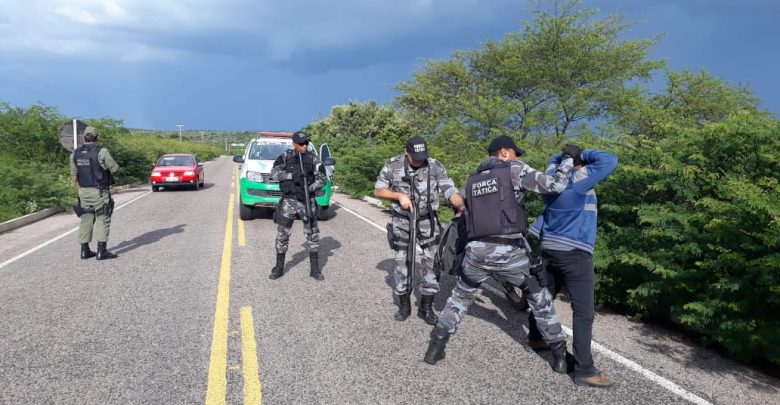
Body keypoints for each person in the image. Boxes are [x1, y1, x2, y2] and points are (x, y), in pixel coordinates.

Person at [423, 135, 575, 374]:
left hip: (475, 252)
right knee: (539, 298)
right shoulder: (513, 169)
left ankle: (436, 346)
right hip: (509, 252)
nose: (517, 157)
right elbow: (554, 185)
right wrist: (568, 160)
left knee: (460, 298)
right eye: (515, 152)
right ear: (504, 152)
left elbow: (461, 206)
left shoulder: (472, 179)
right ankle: (559, 356)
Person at [526, 145, 619, 388]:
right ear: (579, 164)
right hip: (575, 251)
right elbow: (610, 160)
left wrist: (564, 156)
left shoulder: (550, 180)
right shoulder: (578, 180)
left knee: (545, 295)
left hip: (550, 248)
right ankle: (584, 370)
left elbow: (551, 159)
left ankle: (536, 337)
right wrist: (584, 153)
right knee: (583, 312)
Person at [374, 136, 465, 325]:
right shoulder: (393, 165)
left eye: (421, 156)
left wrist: (460, 204)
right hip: (402, 220)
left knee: (433, 260)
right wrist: (398, 195)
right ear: (406, 151)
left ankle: (426, 305)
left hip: (428, 221)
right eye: (414, 156)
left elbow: (449, 190)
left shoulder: (434, 166)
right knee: (402, 262)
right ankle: (404, 303)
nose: (418, 160)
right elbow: (379, 191)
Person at [269, 131, 328, 281]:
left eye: (306, 143)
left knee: (312, 234)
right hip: (289, 200)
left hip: (307, 201)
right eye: (301, 143)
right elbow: (274, 174)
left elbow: (322, 179)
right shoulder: (285, 157)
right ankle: (279, 267)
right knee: (283, 233)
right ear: (294, 143)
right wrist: (290, 176)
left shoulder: (313, 158)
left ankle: (315, 270)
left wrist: (308, 188)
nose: (305, 146)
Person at [69, 126, 120, 260]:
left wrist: (80, 191)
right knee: (103, 218)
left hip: (83, 191)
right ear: (97, 138)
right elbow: (114, 169)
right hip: (99, 191)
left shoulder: (75, 153)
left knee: (85, 219)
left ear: (84, 138)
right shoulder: (102, 152)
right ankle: (101, 251)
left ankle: (85, 250)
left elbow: (74, 176)